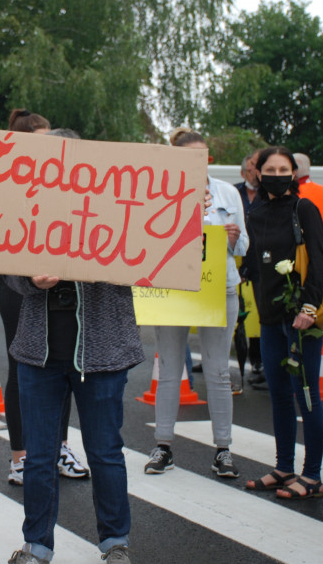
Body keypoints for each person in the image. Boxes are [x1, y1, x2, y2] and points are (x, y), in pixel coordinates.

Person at [5, 128, 143, 564]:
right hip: (38, 353)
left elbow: (146, 258)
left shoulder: (117, 207)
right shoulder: (25, 207)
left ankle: (115, 542)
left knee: (105, 452)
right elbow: (3, 265)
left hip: (102, 353)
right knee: (39, 455)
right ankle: (37, 546)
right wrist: (29, 278)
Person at [144, 128, 247, 479]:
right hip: (173, 288)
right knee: (170, 370)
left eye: (203, 155)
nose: (197, 162)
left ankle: (223, 450)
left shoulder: (228, 193)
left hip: (219, 287)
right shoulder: (158, 192)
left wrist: (232, 238)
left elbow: (244, 245)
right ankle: (163, 446)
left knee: (218, 371)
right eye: (189, 156)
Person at [0, 113, 90, 486]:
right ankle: (20, 455)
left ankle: (59, 445)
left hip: (59, 286)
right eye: (43, 140)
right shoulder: (12, 185)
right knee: (24, 366)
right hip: (19, 287)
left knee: (61, 361)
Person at [243, 146, 323, 500]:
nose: (278, 174)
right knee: (278, 394)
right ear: (257, 173)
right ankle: (284, 466)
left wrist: (310, 307)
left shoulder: (303, 208)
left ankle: (312, 475)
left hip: (299, 318)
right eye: (271, 169)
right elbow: (252, 260)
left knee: (306, 395)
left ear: (293, 173)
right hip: (268, 314)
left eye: (284, 168)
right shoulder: (255, 211)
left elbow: (319, 259)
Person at [234, 149, 266, 390]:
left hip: (262, 263)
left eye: (258, 168)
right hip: (239, 264)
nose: (254, 173)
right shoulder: (235, 192)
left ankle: (260, 362)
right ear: (244, 171)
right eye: (251, 168)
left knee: (261, 314)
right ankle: (247, 360)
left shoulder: (268, 195)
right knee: (242, 318)